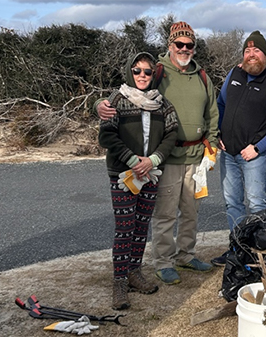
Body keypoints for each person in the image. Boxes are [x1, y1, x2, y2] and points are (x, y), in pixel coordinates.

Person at [96, 21, 220, 285]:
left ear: (194, 48)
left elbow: (212, 113)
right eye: (179, 44)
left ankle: (186, 255)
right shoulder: (158, 72)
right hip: (166, 157)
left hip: (196, 157)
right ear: (170, 45)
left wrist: (211, 145)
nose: (184, 49)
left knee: (191, 211)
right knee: (164, 213)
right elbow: (129, 92)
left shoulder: (202, 77)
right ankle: (163, 262)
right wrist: (99, 104)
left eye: (189, 45)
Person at [98, 52, 178, 310]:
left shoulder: (162, 103)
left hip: (150, 173)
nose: (142, 75)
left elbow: (171, 134)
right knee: (125, 227)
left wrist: (152, 160)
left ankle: (134, 272)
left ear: (153, 74)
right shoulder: (116, 100)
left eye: (147, 71)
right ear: (128, 72)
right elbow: (107, 137)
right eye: (137, 71)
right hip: (124, 174)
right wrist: (134, 161)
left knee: (142, 226)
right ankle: (119, 282)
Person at [211, 30, 266, 266]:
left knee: (256, 205)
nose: (251, 55)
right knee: (232, 203)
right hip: (229, 152)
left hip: (253, 157)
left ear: (265, 56)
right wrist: (217, 133)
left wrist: (257, 147)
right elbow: (221, 104)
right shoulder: (234, 74)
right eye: (247, 50)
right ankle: (237, 249)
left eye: (257, 51)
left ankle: (258, 253)